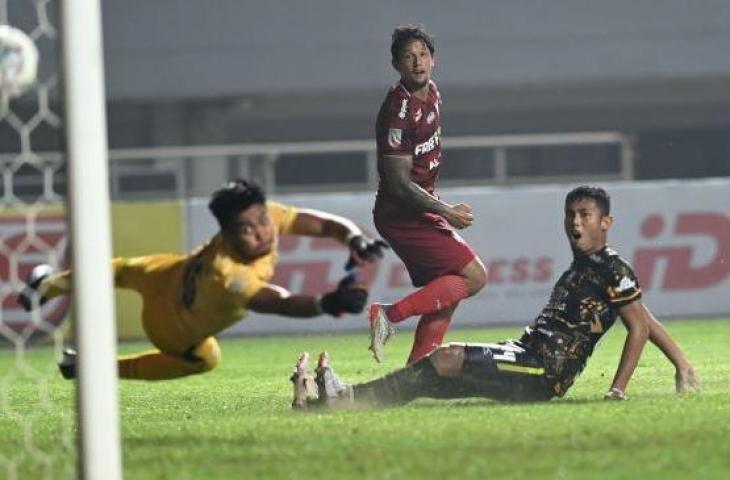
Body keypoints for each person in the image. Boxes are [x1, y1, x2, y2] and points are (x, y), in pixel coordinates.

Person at [291, 186, 700, 409]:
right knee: (434, 378)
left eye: (585, 215)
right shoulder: (585, 268)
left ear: (606, 223)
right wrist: (681, 364)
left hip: (543, 371)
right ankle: (341, 400)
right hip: (525, 354)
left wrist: (618, 390)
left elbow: (639, 325)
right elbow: (644, 313)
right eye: (570, 214)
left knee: (446, 358)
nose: (575, 222)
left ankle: (345, 395)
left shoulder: (611, 266)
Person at [18, 179, 387, 381]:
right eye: (247, 229)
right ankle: (86, 365)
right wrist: (329, 302)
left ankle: (46, 286)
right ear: (227, 232)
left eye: (262, 220)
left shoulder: (265, 218)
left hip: (170, 272)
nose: (262, 232)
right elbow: (279, 303)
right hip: (173, 327)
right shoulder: (227, 275)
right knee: (206, 358)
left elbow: (322, 224)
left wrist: (355, 238)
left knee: (121, 269)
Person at [369, 24, 488, 365]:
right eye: (408, 57)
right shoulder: (398, 111)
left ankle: (415, 373)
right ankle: (388, 316)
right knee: (475, 277)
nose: (417, 62)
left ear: (433, 60)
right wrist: (447, 212)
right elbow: (398, 183)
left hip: (421, 211)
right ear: (396, 65)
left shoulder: (433, 92)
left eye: (422, 55)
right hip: (401, 216)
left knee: (447, 290)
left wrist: (438, 206)